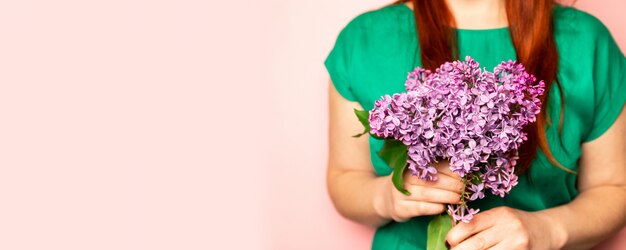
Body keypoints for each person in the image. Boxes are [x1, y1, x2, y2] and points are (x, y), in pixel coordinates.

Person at [325, 0, 626, 249]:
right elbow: (346, 177)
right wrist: (389, 197)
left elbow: (614, 188)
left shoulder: (587, 42)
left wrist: (546, 230)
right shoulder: (363, 41)